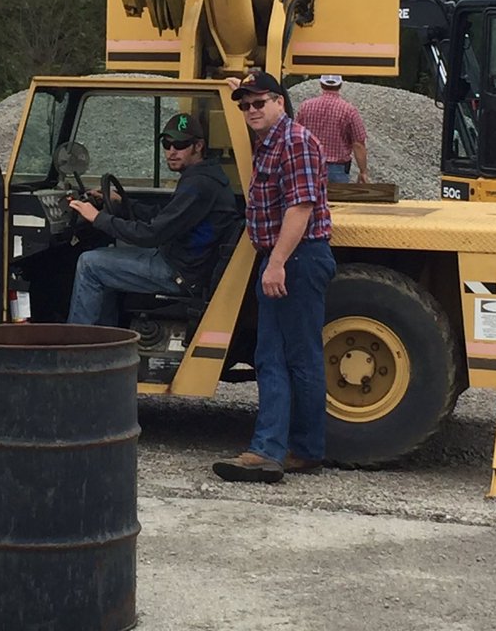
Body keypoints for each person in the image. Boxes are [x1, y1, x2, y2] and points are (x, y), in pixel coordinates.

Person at [213, 71, 336, 484]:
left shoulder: (294, 141)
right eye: (245, 105)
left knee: (276, 357)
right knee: (298, 357)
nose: (250, 110)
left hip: (294, 259)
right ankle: (304, 449)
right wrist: (240, 87)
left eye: (259, 102)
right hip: (293, 258)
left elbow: (300, 207)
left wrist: (277, 262)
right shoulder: (271, 142)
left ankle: (267, 450)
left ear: (280, 101)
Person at [66, 113, 243, 326]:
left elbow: (151, 234)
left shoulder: (199, 185)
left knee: (90, 264)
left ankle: (76, 349)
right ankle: (105, 340)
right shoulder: (204, 176)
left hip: (179, 272)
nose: (172, 151)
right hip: (182, 261)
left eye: (180, 144)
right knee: (103, 260)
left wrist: (97, 218)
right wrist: (122, 203)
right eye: (167, 144)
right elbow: (164, 216)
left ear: (198, 146)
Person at [295, 75, 369, 184]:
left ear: (321, 84)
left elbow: (296, 136)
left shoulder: (305, 107)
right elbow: (358, 144)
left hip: (309, 166)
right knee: (337, 200)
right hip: (337, 170)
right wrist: (363, 171)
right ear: (340, 85)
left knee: (309, 200)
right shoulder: (349, 110)